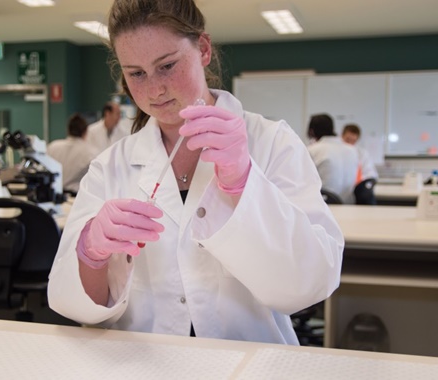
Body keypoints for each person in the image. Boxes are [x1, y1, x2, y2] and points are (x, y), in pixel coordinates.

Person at [48, 0, 343, 345]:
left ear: (203, 48)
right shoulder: (110, 166)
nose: (155, 89)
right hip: (144, 364)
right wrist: (91, 251)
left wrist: (244, 183)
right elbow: (76, 304)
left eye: (168, 65)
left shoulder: (271, 142)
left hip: (249, 360)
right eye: (136, 73)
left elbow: (313, 280)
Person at [306, 114, 359, 204]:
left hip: (324, 204)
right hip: (349, 205)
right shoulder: (352, 150)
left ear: (312, 131)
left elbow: (303, 181)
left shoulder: (312, 150)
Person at [47, 113, 95, 196]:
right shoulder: (90, 152)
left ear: (68, 130)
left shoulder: (53, 147)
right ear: (85, 132)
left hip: (52, 195)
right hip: (74, 197)